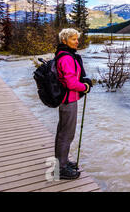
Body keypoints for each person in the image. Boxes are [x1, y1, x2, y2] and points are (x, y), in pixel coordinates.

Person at [55, 28, 93, 180]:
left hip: (67, 100)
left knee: (62, 133)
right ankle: (61, 169)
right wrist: (85, 87)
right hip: (68, 100)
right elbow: (71, 83)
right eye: (73, 39)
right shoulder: (67, 58)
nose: (77, 42)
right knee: (66, 135)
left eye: (77, 39)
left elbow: (71, 78)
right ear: (64, 41)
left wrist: (82, 81)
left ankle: (62, 162)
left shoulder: (65, 55)